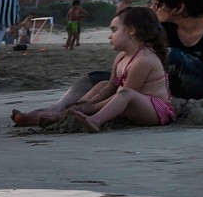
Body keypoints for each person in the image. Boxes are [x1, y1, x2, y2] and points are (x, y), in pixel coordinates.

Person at [11, 7, 175, 131]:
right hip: (132, 105)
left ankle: (95, 120)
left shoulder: (143, 60)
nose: (109, 36)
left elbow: (126, 93)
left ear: (131, 30)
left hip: (155, 111)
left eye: (114, 30)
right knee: (103, 83)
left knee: (125, 93)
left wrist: (94, 107)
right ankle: (70, 110)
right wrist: (86, 103)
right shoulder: (121, 58)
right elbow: (111, 86)